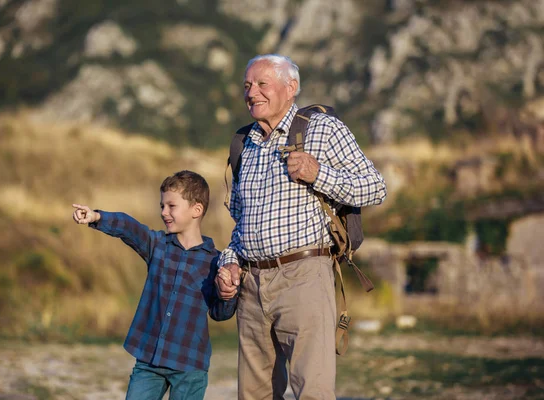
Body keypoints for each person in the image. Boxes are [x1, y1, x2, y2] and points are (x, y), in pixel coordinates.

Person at [215, 54, 387, 399]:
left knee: (313, 391)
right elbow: (241, 225)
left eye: (262, 84)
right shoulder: (243, 144)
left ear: (290, 88)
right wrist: (228, 261)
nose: (252, 92)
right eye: (247, 85)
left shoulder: (323, 129)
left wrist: (318, 174)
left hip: (304, 276)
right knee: (254, 395)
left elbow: (375, 187)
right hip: (251, 285)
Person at [72, 170, 237, 400]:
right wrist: (97, 217)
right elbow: (129, 228)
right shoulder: (157, 245)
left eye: (171, 206)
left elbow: (220, 314)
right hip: (149, 359)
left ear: (196, 210)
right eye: (162, 206)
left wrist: (227, 294)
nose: (163, 212)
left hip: (189, 365)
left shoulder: (215, 262)